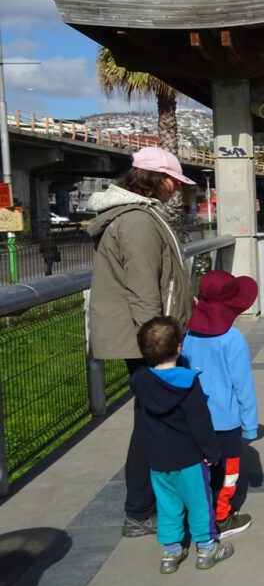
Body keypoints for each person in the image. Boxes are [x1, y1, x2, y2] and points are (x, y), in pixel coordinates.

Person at [87, 145, 196, 538]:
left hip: (140, 337)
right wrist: (162, 345)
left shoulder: (133, 216)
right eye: (174, 183)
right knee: (155, 423)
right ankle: (139, 511)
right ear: (160, 180)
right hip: (146, 341)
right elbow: (143, 290)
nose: (175, 190)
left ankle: (146, 506)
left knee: (152, 421)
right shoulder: (137, 222)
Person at [130, 317, 233, 573]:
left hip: (158, 459)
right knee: (200, 503)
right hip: (189, 458)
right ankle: (207, 547)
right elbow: (200, 423)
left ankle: (171, 551)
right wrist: (212, 452)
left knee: (167, 505)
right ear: (179, 347)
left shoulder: (141, 382)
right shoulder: (188, 383)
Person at [181, 270, 259, 539]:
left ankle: (200, 517)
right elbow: (243, 386)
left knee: (201, 472)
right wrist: (249, 426)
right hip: (226, 422)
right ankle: (223, 517)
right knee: (228, 472)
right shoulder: (232, 339)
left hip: (194, 420)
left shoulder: (189, 334)